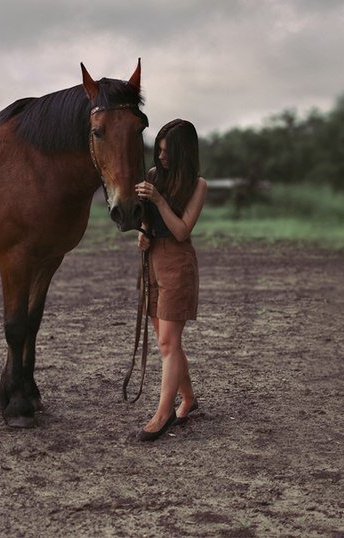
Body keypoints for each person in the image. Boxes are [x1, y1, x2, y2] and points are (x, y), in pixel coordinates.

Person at [134, 118, 207, 441]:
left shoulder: (197, 184)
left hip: (177, 263)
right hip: (152, 262)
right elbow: (150, 224)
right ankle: (188, 399)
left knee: (167, 342)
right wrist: (143, 235)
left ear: (182, 152)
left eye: (167, 151)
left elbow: (181, 231)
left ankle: (163, 414)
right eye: (158, 149)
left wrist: (160, 200)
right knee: (168, 343)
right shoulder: (153, 176)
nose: (160, 156)